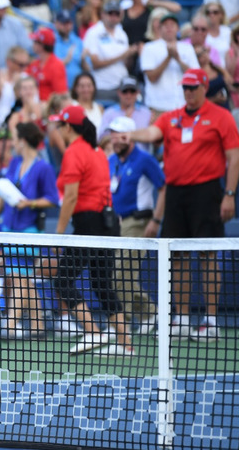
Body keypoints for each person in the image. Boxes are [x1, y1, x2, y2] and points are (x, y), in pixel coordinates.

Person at [117, 69, 239, 340]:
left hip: (207, 193)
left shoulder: (221, 116)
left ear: (204, 87)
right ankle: (182, 318)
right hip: (175, 194)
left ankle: (210, 321)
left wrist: (229, 194)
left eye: (193, 87)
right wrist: (131, 135)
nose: (188, 92)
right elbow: (152, 132)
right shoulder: (171, 118)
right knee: (178, 256)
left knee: (208, 256)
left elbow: (233, 158)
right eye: (185, 87)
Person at [53, 105, 134, 357]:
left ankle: (94, 333)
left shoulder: (74, 152)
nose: (57, 129)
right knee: (101, 283)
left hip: (88, 223)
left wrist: (57, 234)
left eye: (60, 125)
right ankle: (125, 344)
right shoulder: (98, 151)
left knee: (63, 279)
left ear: (68, 127)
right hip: (108, 224)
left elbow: (71, 197)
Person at [0, 122, 58, 337]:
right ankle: (38, 326)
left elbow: (52, 199)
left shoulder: (43, 167)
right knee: (23, 278)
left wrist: (30, 203)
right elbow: (4, 195)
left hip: (29, 231)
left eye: (16, 139)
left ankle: (10, 323)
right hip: (9, 229)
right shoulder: (15, 163)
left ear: (23, 141)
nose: (14, 143)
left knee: (18, 276)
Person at [105, 116, 163, 333]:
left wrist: (156, 220)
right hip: (116, 224)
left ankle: (123, 322)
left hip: (138, 221)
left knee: (120, 273)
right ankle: (150, 313)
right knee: (119, 275)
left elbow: (163, 187)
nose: (115, 139)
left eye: (119, 135)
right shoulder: (112, 161)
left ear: (129, 137)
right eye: (112, 135)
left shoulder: (145, 159)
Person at [140, 12, 199, 113]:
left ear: (178, 29)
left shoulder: (187, 48)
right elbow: (151, 77)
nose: (169, 28)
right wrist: (168, 58)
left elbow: (196, 76)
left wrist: (178, 59)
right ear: (160, 29)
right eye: (165, 25)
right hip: (158, 107)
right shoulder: (149, 48)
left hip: (183, 106)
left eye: (172, 25)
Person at [26, 27, 67, 103]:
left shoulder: (57, 65)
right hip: (33, 107)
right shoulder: (34, 64)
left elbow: (61, 95)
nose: (33, 45)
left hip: (49, 109)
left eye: (35, 42)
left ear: (42, 45)